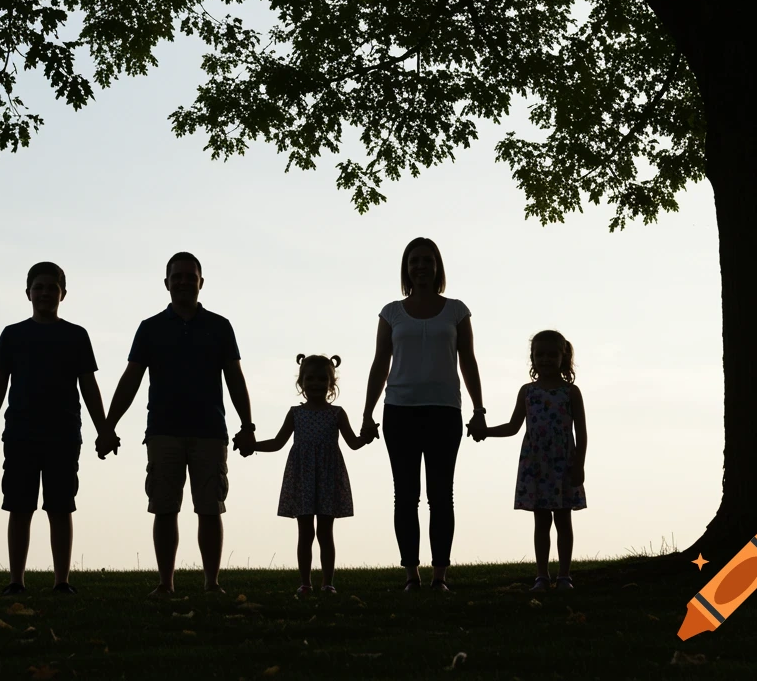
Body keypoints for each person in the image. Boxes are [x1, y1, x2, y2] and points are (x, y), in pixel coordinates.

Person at [96, 252, 255, 595]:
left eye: (189, 277)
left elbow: (235, 378)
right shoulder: (150, 328)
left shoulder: (220, 326)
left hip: (209, 431)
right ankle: (165, 584)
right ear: (166, 283)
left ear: (201, 282)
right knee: (164, 508)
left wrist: (248, 426)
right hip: (163, 431)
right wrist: (108, 426)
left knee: (210, 509)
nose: (183, 282)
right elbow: (130, 379)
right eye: (177, 277)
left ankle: (212, 583)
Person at [359, 237, 489, 592]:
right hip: (399, 411)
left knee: (441, 495)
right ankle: (411, 574)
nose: (420, 267)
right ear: (406, 268)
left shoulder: (456, 311)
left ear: (437, 266)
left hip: (444, 411)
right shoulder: (391, 313)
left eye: (427, 260)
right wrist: (367, 413)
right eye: (414, 261)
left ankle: (440, 575)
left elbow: (468, 361)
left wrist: (479, 409)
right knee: (405, 495)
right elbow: (380, 363)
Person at [0, 261, 108, 596]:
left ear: (63, 293)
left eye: (52, 287)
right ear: (28, 293)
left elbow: (89, 385)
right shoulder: (12, 334)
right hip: (20, 433)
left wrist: (103, 429)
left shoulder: (76, 335)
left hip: (63, 434)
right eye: (39, 287)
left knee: (61, 507)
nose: (45, 293)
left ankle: (61, 581)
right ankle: (16, 581)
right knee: (19, 507)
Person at [251, 354, 370, 595]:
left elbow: (353, 443)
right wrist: (252, 445)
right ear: (301, 382)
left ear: (331, 383)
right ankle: (305, 583)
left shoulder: (337, 413)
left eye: (322, 379)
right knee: (305, 532)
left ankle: (328, 583)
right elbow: (277, 442)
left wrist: (367, 436)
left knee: (325, 532)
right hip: (302, 477)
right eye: (310, 378)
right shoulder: (296, 413)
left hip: (328, 477)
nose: (316, 383)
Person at [483, 329, 587, 592]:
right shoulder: (527, 392)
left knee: (563, 520)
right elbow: (513, 426)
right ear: (532, 358)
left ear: (563, 357)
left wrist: (579, 465)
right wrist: (486, 431)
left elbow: (582, 433)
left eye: (552, 354)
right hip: (536, 464)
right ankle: (542, 576)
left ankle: (564, 576)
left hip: (563, 464)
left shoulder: (571, 392)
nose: (546, 359)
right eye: (540, 355)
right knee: (541, 521)